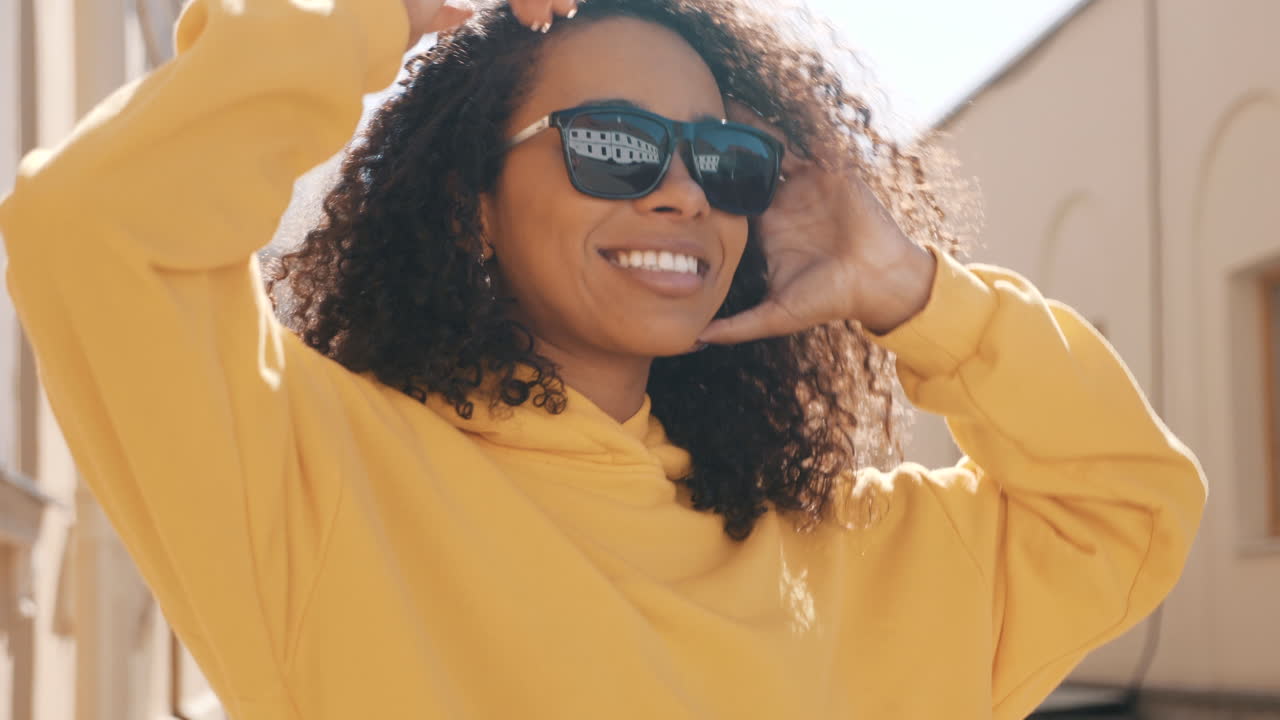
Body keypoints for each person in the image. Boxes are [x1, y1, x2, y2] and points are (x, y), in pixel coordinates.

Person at [0, 0, 1207, 717]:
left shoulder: (842, 555)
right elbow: (92, 231)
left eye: (722, 160)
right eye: (616, 145)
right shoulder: (323, 484)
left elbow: (1124, 509)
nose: (681, 191)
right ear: (473, 201)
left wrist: (911, 295)